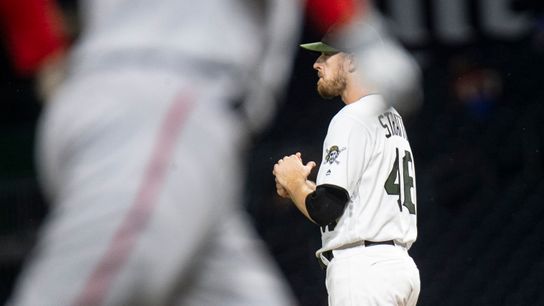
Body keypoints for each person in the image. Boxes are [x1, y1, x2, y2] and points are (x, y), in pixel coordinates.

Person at [272, 25, 421, 305]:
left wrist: (293, 183)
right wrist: (302, 186)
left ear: (352, 61)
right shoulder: (391, 117)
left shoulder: (351, 117)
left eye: (326, 56)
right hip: (397, 269)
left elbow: (326, 209)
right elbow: (356, 202)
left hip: (364, 271)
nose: (317, 64)